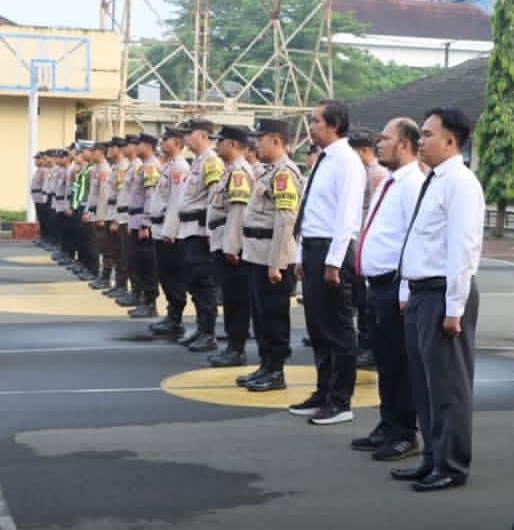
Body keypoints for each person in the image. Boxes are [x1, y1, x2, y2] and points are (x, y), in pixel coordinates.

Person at [391, 107, 485, 492]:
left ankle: (451, 465)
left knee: (448, 387)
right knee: (424, 384)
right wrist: (406, 290)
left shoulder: (460, 182)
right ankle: (432, 456)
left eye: (428, 134)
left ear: (450, 140)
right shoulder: (433, 180)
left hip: (443, 294)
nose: (421, 141)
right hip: (421, 293)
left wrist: (454, 307)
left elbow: (463, 248)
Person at [351, 118, 424, 460]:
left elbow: (414, 239)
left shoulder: (413, 184)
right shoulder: (389, 181)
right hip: (377, 284)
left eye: (385, 138)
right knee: (384, 361)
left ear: (404, 144)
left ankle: (404, 432)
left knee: (399, 363)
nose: (378, 143)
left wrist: (405, 289)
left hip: (395, 286)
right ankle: (388, 423)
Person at [289, 99, 366, 425]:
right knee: (318, 328)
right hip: (313, 248)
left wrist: (334, 263)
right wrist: (300, 254)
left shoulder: (346, 161)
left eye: (316, 121)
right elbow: (311, 212)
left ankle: (340, 400)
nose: (311, 127)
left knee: (338, 329)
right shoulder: (322, 159)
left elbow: (347, 216)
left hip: (332, 250)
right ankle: (323, 392)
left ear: (334, 125)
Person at [236, 118, 302, 392]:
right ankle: (265, 365)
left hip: (272, 257)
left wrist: (276, 264)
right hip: (257, 254)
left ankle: (276, 371)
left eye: (261, 139)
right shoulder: (269, 172)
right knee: (261, 316)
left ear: (276, 140)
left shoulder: (284, 173)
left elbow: (285, 221)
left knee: (273, 317)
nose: (256, 144)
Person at [207, 125, 254, 367]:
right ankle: (232, 345)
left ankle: (236, 349)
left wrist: (232, 246)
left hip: (231, 245)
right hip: (222, 239)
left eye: (221, 141)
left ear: (233, 144)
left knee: (237, 300)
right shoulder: (230, 170)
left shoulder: (238, 173)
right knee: (230, 297)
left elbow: (238, 212)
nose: (217, 145)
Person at [176, 118, 224, 353]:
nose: (186, 138)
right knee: (193, 282)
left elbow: (214, 198)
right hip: (189, 230)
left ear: (204, 136)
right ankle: (200, 327)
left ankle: (208, 332)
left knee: (204, 283)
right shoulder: (197, 161)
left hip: (200, 231)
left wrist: (210, 232)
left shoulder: (211, 161)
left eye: (190, 133)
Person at [150, 126, 190, 340]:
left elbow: (176, 202)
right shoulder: (169, 166)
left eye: (166, 139)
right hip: (160, 228)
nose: (162, 142)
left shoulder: (179, 168)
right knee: (165, 274)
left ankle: (176, 318)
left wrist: (170, 230)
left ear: (176, 143)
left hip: (170, 232)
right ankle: (171, 315)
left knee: (173, 276)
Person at [126, 133, 161, 318]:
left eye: (138, 144)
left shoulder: (150, 166)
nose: (135, 147)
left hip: (144, 222)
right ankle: (144, 301)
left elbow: (151, 196)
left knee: (147, 264)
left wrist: (146, 224)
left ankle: (150, 304)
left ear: (147, 146)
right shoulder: (144, 166)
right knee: (138, 262)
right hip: (136, 219)